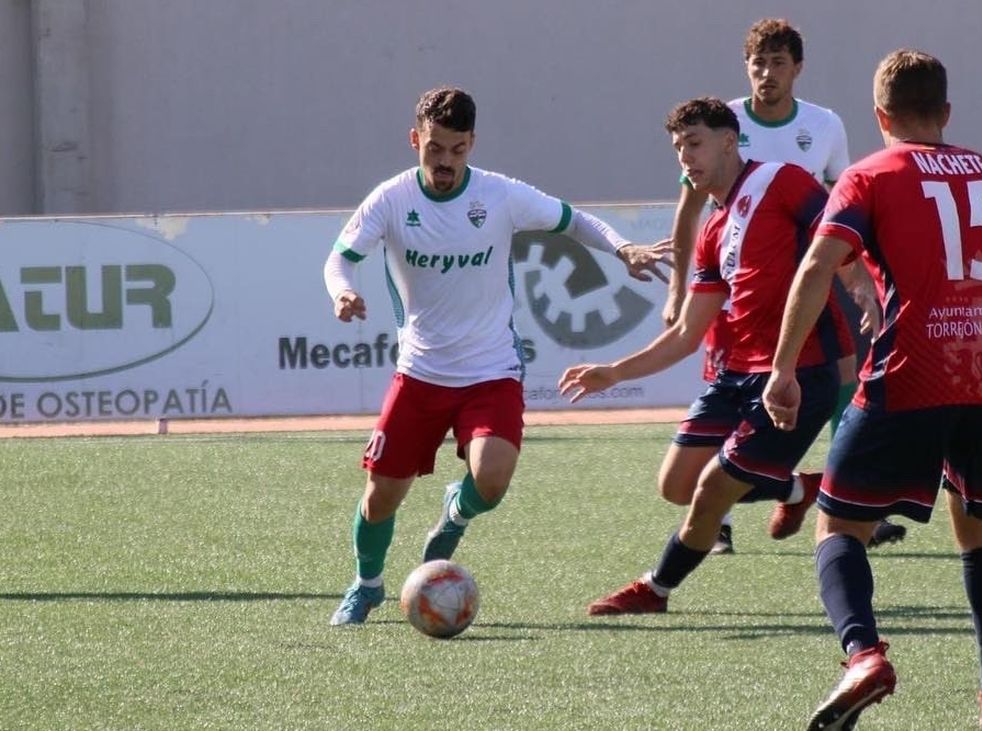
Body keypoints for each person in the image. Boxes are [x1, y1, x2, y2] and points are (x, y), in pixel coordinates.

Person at [762, 50, 982, 731]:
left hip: (911, 368)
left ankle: (863, 656)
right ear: (946, 112)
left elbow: (819, 265)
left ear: (880, 116)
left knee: (837, 526)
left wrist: (783, 368)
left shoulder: (870, 175)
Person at [323, 87, 670, 626]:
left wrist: (623, 247)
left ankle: (454, 513)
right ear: (415, 140)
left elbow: (573, 220)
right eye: (435, 148)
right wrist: (342, 292)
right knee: (380, 497)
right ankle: (367, 585)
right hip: (420, 372)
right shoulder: (391, 199)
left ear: (472, 144)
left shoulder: (499, 195)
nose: (445, 161)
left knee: (491, 480)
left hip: (491, 371)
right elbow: (339, 260)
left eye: (457, 149)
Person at [559, 97, 853, 616]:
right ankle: (796, 488)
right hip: (735, 376)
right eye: (678, 148)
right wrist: (614, 372)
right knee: (676, 484)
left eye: (694, 144)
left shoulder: (781, 180)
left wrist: (863, 285)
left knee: (712, 490)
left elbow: (840, 234)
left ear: (728, 141)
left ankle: (655, 588)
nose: (685, 157)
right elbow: (686, 334)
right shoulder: (713, 231)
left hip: (797, 375)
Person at [660, 17, 906, 556]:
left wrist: (861, 278)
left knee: (844, 376)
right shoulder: (720, 123)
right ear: (746, 67)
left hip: (807, 279)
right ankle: (724, 518)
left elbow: (843, 207)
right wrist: (678, 289)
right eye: (758, 63)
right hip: (736, 286)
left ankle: (850, 499)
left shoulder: (824, 125)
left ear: (798, 69)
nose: (766, 73)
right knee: (729, 388)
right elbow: (689, 211)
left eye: (778, 63)